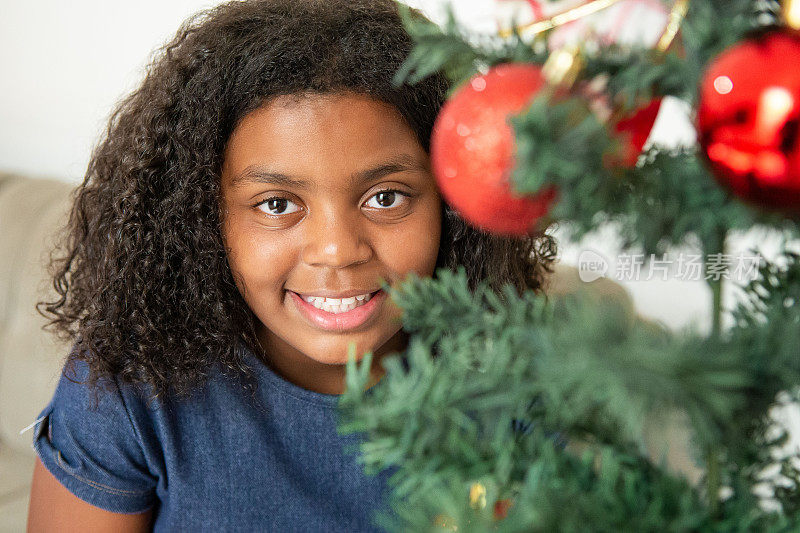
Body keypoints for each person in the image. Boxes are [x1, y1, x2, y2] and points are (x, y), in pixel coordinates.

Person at [26, 0, 557, 530]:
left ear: (453, 206)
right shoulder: (131, 386)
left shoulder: (528, 385)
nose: (337, 250)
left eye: (386, 198)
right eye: (277, 205)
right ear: (202, 219)